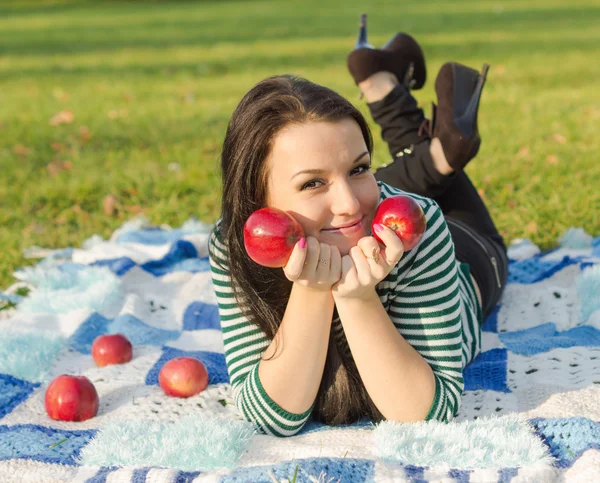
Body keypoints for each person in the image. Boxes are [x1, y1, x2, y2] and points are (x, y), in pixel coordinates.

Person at [208, 29, 509, 437]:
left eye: (360, 167)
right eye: (312, 182)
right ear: (257, 200)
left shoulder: (423, 224)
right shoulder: (236, 245)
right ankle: (393, 97)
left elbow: (427, 416)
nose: (350, 201)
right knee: (362, 196)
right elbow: (271, 417)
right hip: (357, 222)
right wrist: (314, 291)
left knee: (394, 197)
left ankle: (432, 147)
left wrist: (357, 297)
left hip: (467, 253)